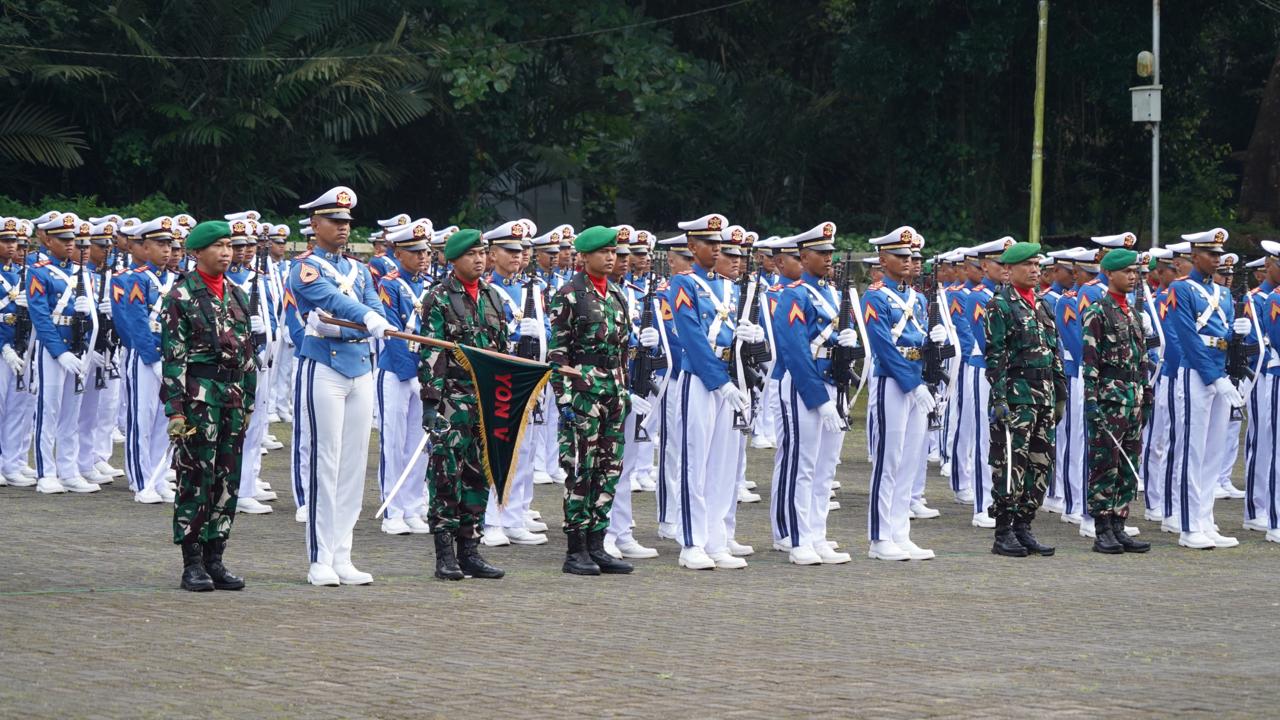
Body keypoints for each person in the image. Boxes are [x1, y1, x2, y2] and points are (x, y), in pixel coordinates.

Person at [290, 186, 392, 586]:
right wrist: (365, 320)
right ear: (315, 225)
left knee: (353, 466)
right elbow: (332, 301)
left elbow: (374, 308)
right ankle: (319, 558)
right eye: (334, 221)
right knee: (325, 462)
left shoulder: (360, 269)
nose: (343, 227)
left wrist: (369, 320)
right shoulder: (305, 268)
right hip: (324, 366)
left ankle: (343, 554)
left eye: (347, 221)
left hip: (360, 366)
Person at [161, 220, 260, 591]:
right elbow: (173, 357)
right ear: (197, 252)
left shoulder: (237, 294)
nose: (226, 252)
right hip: (198, 400)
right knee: (195, 477)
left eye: (229, 246)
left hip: (232, 398)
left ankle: (215, 557)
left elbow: (248, 353)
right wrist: (175, 410)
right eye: (218, 246)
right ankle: (192, 562)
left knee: (227, 479)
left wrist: (249, 400)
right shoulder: (181, 295)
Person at [547, 225, 639, 575]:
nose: (611, 257)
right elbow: (557, 354)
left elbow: (623, 350)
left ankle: (598, 544)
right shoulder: (570, 295)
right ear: (584, 257)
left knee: (608, 469)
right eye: (603, 252)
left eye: (613, 252)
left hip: (613, 393)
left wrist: (625, 390)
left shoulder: (616, 294)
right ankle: (576, 549)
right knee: (580, 470)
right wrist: (565, 400)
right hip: (583, 394)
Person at [667, 214, 757, 570]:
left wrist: (751, 341)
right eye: (709, 242)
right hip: (701, 379)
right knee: (695, 463)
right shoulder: (683, 284)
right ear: (692, 246)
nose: (717, 248)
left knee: (722, 465)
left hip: (730, 377)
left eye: (719, 242)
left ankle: (717, 540)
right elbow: (691, 337)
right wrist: (720, 381)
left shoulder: (730, 288)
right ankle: (692, 542)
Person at [419, 229, 507, 581]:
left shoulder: (492, 296)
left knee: (478, 475)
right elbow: (432, 351)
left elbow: (502, 351)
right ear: (453, 260)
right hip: (452, 399)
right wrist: (431, 402)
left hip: (485, 399)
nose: (479, 259)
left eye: (482, 253)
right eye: (471, 254)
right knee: (445, 475)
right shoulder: (439, 297)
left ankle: (470, 550)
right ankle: (444, 554)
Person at [771, 222, 854, 564]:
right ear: (804, 257)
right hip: (805, 385)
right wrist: (819, 400)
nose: (828, 258)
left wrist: (849, 340)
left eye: (830, 252)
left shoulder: (834, 294)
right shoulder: (794, 294)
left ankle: (817, 533)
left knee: (825, 467)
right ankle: (798, 538)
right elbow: (794, 351)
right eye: (821, 253)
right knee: (801, 465)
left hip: (834, 382)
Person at [862, 226, 943, 561]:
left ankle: (900, 532)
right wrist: (913, 384)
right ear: (883, 260)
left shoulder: (919, 299)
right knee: (888, 460)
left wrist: (933, 345)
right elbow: (883, 346)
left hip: (916, 379)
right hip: (892, 381)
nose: (908, 261)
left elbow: (917, 340)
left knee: (909, 461)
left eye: (910, 256)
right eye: (899, 256)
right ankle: (880, 537)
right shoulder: (875, 297)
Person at [1166, 228, 1246, 550]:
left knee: (1213, 451)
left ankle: (1205, 519)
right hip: (1196, 373)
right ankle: (1189, 526)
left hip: (1220, 370)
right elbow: (1187, 337)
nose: (1217, 259)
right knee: (1193, 451)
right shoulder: (1181, 288)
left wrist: (1237, 333)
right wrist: (1215, 377)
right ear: (1194, 256)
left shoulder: (1224, 294)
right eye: (1211, 254)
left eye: (1218, 255)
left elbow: (1223, 336)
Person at [984, 241, 1064, 558]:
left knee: (1040, 465)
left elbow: (1054, 352)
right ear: (1009, 270)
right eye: (1027, 265)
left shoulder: (1043, 305)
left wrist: (1060, 395)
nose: (1034, 270)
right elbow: (995, 357)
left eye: (1037, 265)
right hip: (1016, 398)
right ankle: (1003, 531)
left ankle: (1024, 526)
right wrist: (999, 399)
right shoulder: (1000, 305)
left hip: (1043, 396)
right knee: (1010, 464)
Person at [1080, 248, 1153, 554]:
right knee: (1104, 464)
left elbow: (1142, 358)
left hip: (1133, 399)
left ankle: (1119, 524)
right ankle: (1102, 529)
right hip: (1109, 400)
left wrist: (1147, 393)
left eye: (1135, 272)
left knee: (1127, 464)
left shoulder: (1133, 314)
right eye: (1127, 272)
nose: (1133, 277)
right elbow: (1090, 362)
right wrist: (1091, 402)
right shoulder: (1098, 312)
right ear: (1109, 274)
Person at [27, 212, 99, 494]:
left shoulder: (83, 274)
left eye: (73, 239)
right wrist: (59, 352)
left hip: (78, 347)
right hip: (53, 348)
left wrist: (88, 327)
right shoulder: (39, 272)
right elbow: (40, 316)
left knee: (72, 413)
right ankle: (46, 472)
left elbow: (92, 319)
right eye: (63, 239)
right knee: (49, 411)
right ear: (48, 240)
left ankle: (68, 470)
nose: (70, 244)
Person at [375, 218, 434, 536]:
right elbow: (392, 332)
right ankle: (392, 510)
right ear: (398, 254)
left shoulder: (431, 285)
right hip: (396, 372)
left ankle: (412, 506)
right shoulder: (390, 284)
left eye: (425, 252)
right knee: (394, 443)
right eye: (415, 252)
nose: (422, 257)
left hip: (423, 372)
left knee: (419, 445)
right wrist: (409, 372)